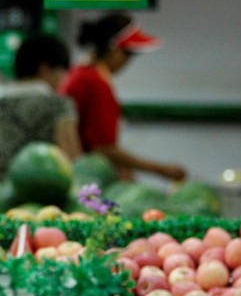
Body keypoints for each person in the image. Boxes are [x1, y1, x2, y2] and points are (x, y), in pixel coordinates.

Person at [60, 13, 187, 181]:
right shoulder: (95, 82)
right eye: (129, 54)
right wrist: (160, 169)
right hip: (85, 178)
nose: (128, 63)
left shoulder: (79, 74)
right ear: (114, 50)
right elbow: (102, 147)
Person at [0, 33, 82, 177]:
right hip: (47, 192)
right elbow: (73, 161)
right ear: (45, 69)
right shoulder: (59, 106)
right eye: (62, 72)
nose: (63, 80)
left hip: (1, 194)